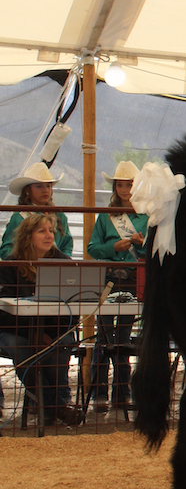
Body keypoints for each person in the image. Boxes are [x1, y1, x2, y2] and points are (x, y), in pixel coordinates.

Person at [0, 212, 83, 426]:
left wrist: (49, 334)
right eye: (42, 231)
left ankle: (48, 407)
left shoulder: (64, 263)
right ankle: (56, 407)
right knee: (21, 347)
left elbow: (73, 310)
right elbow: (3, 314)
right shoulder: (9, 265)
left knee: (62, 344)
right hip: (15, 331)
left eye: (51, 231)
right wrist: (35, 333)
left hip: (54, 331)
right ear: (28, 236)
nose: (49, 235)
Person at [87, 161, 148, 416]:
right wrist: (112, 248)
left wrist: (140, 244)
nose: (124, 189)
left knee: (122, 337)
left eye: (129, 184)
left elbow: (153, 249)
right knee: (103, 337)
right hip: (109, 279)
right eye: (120, 185)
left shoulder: (147, 216)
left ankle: (121, 393)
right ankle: (100, 393)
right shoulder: (106, 215)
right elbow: (92, 248)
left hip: (132, 279)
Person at [1, 162, 74, 260]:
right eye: (39, 186)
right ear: (27, 190)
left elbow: (67, 244)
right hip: (27, 266)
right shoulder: (20, 217)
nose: (45, 190)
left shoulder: (59, 215)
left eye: (48, 186)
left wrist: (60, 261)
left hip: (55, 266)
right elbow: (7, 250)